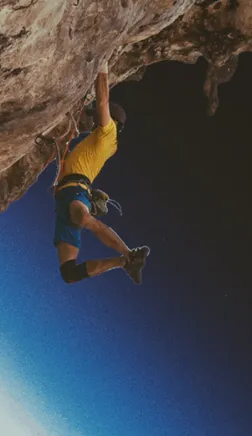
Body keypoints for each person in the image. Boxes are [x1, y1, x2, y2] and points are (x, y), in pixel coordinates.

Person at [52, 61, 150, 285]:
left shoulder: (109, 133)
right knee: (69, 273)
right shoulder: (100, 141)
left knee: (85, 219)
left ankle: (129, 254)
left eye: (97, 115)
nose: (94, 118)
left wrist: (102, 67)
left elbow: (103, 100)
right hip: (67, 196)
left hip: (74, 190)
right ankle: (124, 262)